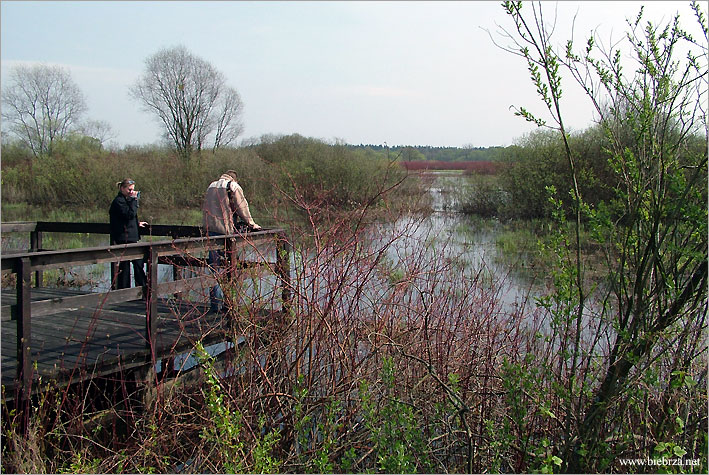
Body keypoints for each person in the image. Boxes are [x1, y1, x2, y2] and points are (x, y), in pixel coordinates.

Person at [202, 170, 262, 313]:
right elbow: (242, 207)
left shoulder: (211, 186)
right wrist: (251, 223)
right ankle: (230, 303)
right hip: (227, 232)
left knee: (214, 267)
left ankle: (215, 304)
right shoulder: (233, 186)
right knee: (230, 267)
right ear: (234, 178)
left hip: (211, 230)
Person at [109, 178, 149, 289]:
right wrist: (134, 200)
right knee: (125, 267)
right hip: (124, 238)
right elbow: (129, 214)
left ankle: (142, 289)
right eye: (129, 189)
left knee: (138, 264)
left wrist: (137, 223)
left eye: (133, 190)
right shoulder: (119, 201)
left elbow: (129, 217)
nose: (131, 192)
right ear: (122, 188)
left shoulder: (126, 200)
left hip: (130, 237)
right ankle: (125, 292)